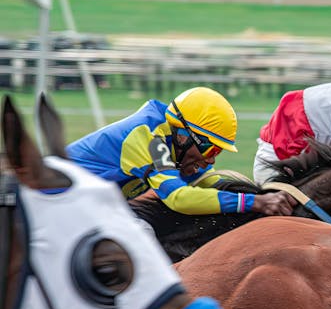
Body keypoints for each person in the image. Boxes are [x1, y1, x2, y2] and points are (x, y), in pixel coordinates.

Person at [67, 86, 293, 218]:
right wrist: (253, 203)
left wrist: (264, 196)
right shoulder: (150, 139)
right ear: (184, 136)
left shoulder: (176, 142)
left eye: (218, 151)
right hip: (57, 199)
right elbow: (178, 198)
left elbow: (208, 184)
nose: (211, 159)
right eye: (210, 148)